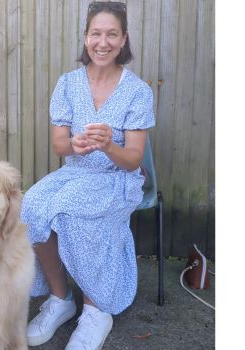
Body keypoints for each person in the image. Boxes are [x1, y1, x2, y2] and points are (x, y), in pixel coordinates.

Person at [21, 1, 155, 349]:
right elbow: (59, 145)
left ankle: (97, 311)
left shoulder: (138, 91)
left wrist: (109, 145)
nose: (103, 42)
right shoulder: (67, 84)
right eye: (96, 33)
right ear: (85, 38)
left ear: (124, 39)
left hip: (117, 178)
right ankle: (60, 298)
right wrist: (75, 145)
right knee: (32, 205)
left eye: (112, 34)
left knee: (73, 212)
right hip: (76, 173)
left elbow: (133, 160)